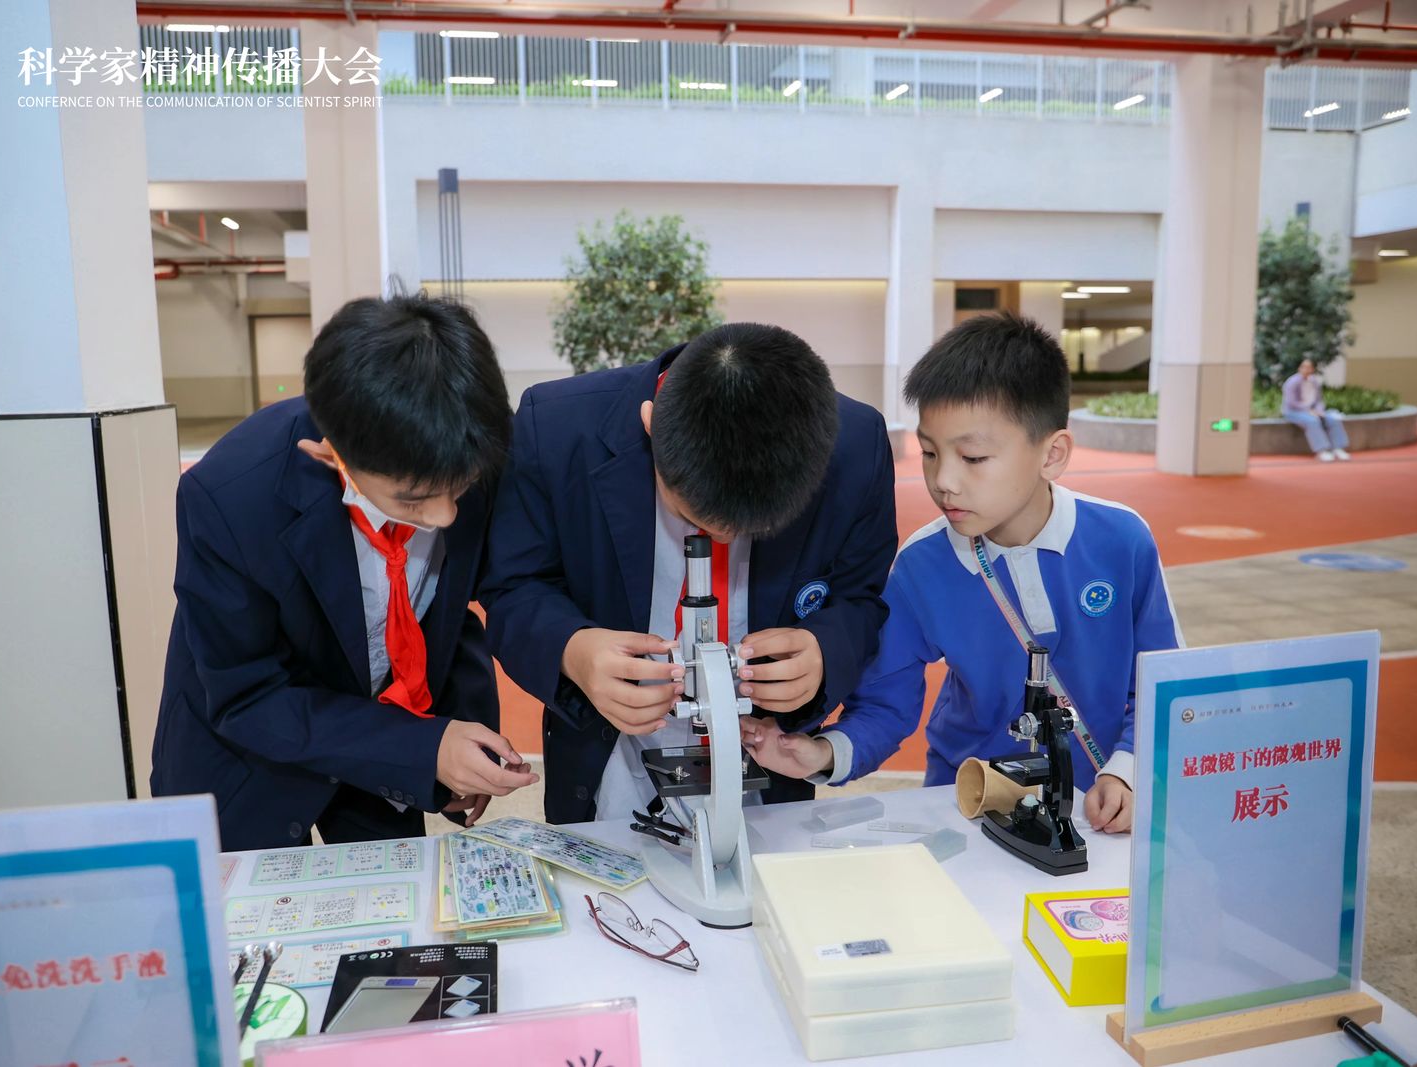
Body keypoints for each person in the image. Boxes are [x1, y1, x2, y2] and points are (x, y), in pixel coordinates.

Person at [741, 312, 1182, 834]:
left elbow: (1161, 682)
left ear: (1053, 454)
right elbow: (884, 704)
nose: (943, 480)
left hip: (1099, 810)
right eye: (929, 452)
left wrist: (1127, 770)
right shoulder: (921, 566)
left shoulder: (1122, 540)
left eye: (972, 457)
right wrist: (821, 753)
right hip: (969, 804)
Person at [152, 292, 538, 851]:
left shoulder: (469, 446)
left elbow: (448, 617)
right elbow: (247, 695)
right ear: (330, 453)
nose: (445, 516)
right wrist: (422, 748)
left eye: (461, 489)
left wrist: (459, 739)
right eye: (412, 501)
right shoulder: (230, 497)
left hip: (380, 757)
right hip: (244, 764)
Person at [479, 322, 897, 825]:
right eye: (694, 516)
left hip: (764, 757)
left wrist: (824, 651)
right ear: (650, 426)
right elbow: (514, 587)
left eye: (746, 528)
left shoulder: (857, 446)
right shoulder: (556, 428)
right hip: (608, 749)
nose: (720, 537)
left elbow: (860, 598)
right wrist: (574, 651)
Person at [1282, 359, 1351, 462]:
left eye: (1309, 367)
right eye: (1304, 367)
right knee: (1312, 421)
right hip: (1294, 412)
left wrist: (1319, 410)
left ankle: (1338, 448)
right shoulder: (1292, 382)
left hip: (1313, 411)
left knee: (1333, 419)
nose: (1306, 369)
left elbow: (1319, 400)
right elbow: (1291, 402)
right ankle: (1321, 450)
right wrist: (1308, 411)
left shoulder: (1314, 382)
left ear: (1312, 369)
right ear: (1299, 368)